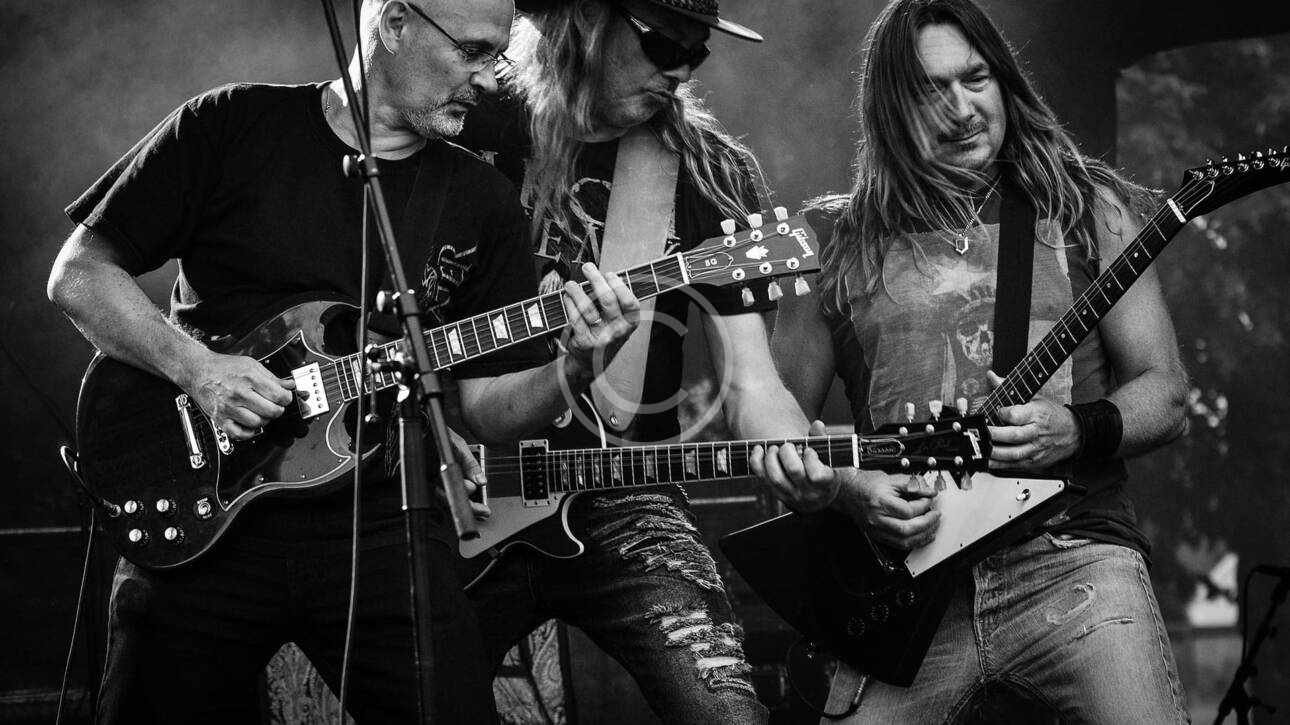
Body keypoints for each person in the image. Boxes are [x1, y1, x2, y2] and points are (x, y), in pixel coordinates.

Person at [46, 0, 640, 721]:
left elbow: (483, 410)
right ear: (395, 24)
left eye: (499, 56)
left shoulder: (480, 201)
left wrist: (575, 369)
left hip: (383, 522)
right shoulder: (231, 124)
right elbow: (79, 274)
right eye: (473, 52)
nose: (490, 79)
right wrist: (199, 371)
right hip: (205, 509)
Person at [748, 0, 1192, 721]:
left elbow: (1166, 393)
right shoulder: (830, 240)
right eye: (931, 90)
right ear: (892, 109)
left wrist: (1077, 428)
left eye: (975, 78)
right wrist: (853, 490)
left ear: (1004, 82)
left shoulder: (1088, 208)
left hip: (1070, 557)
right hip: (905, 591)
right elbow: (779, 425)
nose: (961, 109)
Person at [454, 0, 815, 721]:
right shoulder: (464, 124)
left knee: (725, 710)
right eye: (662, 44)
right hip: (456, 487)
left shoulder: (707, 171)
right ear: (588, 19)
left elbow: (753, 385)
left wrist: (808, 460)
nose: (680, 71)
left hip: (622, 492)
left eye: (696, 52)